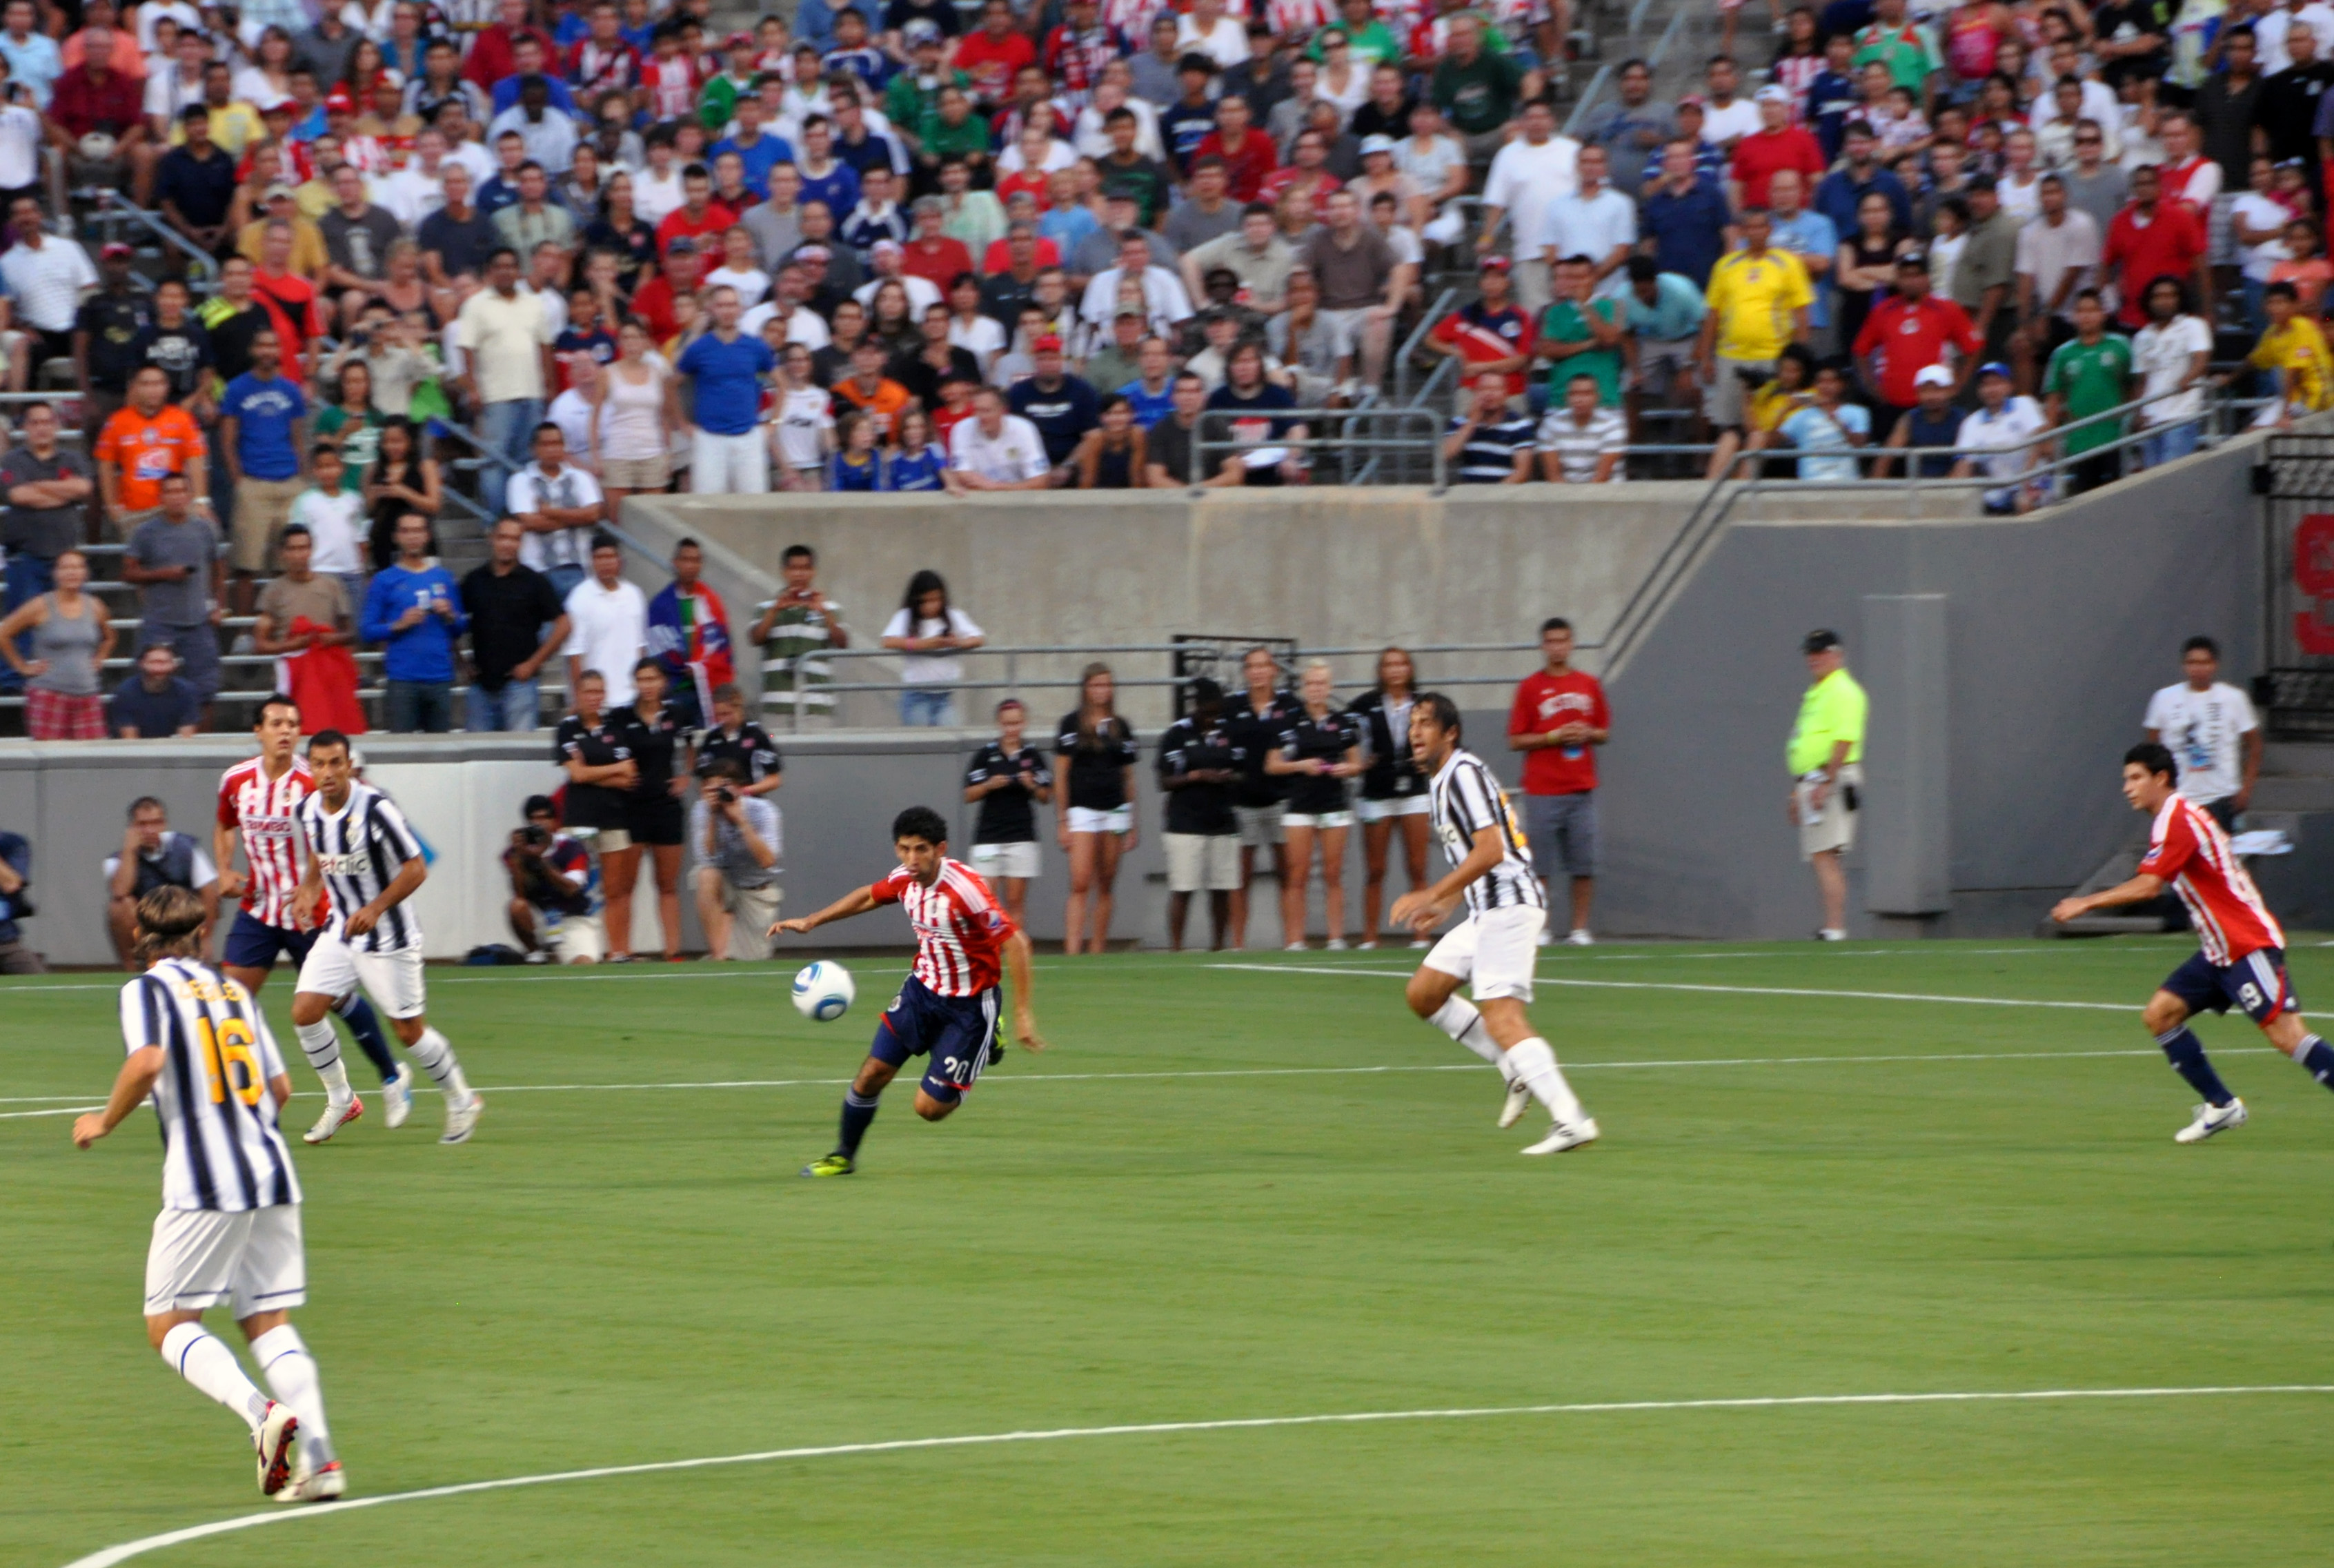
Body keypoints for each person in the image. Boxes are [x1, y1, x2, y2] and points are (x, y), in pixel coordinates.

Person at [68, 886, 336, 1503]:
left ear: (140, 938)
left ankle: (259, 1412)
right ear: (201, 935)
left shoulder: (146, 989)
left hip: (204, 1179)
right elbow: (282, 1087)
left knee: (168, 1323)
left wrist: (104, 1122)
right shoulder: (235, 990)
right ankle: (321, 1462)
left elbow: (147, 1061)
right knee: (267, 1320)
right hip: (270, 1169)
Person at [2050, 742, 2334, 1143]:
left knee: (2289, 1037)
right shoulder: (2170, 819)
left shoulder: (2177, 819)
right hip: (2219, 951)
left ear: (2160, 778)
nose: (2127, 788)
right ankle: (2222, 1106)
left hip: (2246, 944)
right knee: (2160, 1015)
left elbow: (2150, 885)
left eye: (2135, 778)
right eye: (2125, 780)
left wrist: (2087, 902)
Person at [775, 804, 1045, 1178]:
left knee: (929, 1109)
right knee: (872, 1074)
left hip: (969, 1006)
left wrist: (1022, 1013)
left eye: (921, 849)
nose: (912, 858)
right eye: (905, 849)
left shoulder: (965, 890)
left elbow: (1017, 943)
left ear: (941, 849)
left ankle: (988, 1041)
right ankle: (843, 1156)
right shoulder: (905, 878)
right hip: (921, 992)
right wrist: (811, 921)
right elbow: (869, 896)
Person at [1392, 692, 1599, 1156]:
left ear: (1450, 733)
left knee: (1502, 1016)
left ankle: (1571, 1119)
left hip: (1508, 904)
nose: (1416, 732)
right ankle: (1513, 1068)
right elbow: (1478, 853)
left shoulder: (1461, 773)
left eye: (1426, 723)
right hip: (1485, 907)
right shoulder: (1443, 778)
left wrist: (1432, 892)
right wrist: (1448, 904)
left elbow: (1490, 851)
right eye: (1412, 725)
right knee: (1423, 993)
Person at [213, 696, 404, 1138]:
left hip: (312, 914)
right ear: (257, 731)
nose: (286, 731)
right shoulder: (236, 780)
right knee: (230, 1002)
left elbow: (335, 833)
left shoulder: (311, 780)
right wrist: (224, 869)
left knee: (335, 1002)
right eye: (277, 723)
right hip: (258, 910)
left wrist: (312, 883)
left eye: (293, 724)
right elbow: (224, 824)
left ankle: (392, 1076)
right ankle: (250, 1096)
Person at [289, 729, 483, 1146]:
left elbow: (416, 867)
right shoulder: (307, 809)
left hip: (389, 937)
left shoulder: (377, 809)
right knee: (305, 1011)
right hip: (341, 930)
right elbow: (319, 853)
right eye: (318, 764)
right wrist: (309, 888)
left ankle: (461, 1098)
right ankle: (341, 1098)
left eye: (335, 763)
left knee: (409, 1032)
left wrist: (375, 908)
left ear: (349, 765)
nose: (327, 772)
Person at [1506, 617, 1610, 946]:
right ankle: (1542, 927)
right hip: (1542, 789)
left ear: (1572, 643)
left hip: (1581, 786)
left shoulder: (1589, 684)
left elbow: (1604, 731)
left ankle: (1579, 929)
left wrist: (1587, 733)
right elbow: (1515, 739)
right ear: (1543, 646)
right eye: (1551, 641)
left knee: (1584, 863)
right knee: (1540, 865)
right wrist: (1553, 735)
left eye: (1563, 640)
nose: (1557, 647)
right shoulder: (1530, 688)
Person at [1262, 659, 1361, 950]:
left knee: (1333, 872)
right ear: (1303, 687)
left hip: (1334, 805)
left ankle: (1336, 937)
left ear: (1330, 687)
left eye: (1321, 683)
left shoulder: (1342, 722)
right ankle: (1295, 939)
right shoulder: (1288, 720)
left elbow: (1356, 763)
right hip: (1300, 805)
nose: (1316, 689)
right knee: (1297, 873)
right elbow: (1272, 765)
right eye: (1311, 684)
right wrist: (1301, 765)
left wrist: (1346, 769)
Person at [453, 247, 555, 519]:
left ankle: (522, 520)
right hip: (495, 397)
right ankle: (498, 523)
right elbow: (467, 350)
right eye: (499, 266)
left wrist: (549, 388)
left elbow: (545, 347)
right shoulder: (475, 305)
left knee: (528, 463)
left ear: (519, 271)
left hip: (532, 394)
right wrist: (473, 389)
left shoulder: (534, 303)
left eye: (511, 266)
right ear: (489, 272)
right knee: (494, 464)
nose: (505, 271)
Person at [601, 657, 689, 962]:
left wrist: (685, 774)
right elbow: (609, 754)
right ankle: (623, 950)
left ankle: (673, 951)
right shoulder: (621, 716)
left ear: (662, 682)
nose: (647, 685)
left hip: (666, 806)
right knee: (626, 885)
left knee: (667, 885)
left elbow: (691, 742)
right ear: (635, 683)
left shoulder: (676, 712)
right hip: (632, 806)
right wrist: (620, 776)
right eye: (642, 679)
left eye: (652, 679)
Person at [1345, 647, 1432, 950]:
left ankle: (1421, 935)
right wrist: (1357, 760)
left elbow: (1446, 737)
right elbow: (1343, 733)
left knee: (1418, 867)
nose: (1395, 670)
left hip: (1414, 794)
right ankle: (1370, 936)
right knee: (1376, 869)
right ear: (1381, 671)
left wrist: (1430, 761)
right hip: (1376, 794)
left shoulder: (1424, 703)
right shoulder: (1364, 705)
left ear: (1410, 668)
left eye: (1401, 664)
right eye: (1389, 665)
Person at [121, 474, 224, 718]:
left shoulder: (205, 528)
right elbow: (128, 572)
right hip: (160, 621)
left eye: (181, 491)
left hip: (198, 620)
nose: (177, 497)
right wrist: (164, 574)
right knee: (147, 684)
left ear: (189, 496)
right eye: (170, 492)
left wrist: (219, 606)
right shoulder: (145, 532)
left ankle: (201, 747)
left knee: (205, 690)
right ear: (161, 497)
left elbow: (220, 570)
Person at [1788, 628, 1868, 942]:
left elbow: (1844, 739)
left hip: (1831, 777)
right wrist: (1799, 789)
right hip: (1817, 778)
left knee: (1825, 854)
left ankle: (1834, 928)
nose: (1814, 659)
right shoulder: (1818, 692)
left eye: (1821, 652)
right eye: (1811, 652)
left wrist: (1826, 781)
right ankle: (1831, 926)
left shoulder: (1843, 691)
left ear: (1837, 655)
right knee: (1822, 855)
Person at [1056, 661, 1140, 955]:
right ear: (1086, 689)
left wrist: (1132, 821)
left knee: (1106, 881)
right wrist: (1062, 820)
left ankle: (1097, 947)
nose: (1101, 690)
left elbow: (1129, 777)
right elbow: (1061, 773)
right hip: (1082, 809)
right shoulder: (1071, 724)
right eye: (1096, 685)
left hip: (1115, 809)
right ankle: (1072, 948)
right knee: (1080, 881)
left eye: (1106, 684)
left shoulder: (1121, 726)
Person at [1157, 676, 1243, 952]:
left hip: (1222, 819)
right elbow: (1164, 780)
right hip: (1185, 820)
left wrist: (1230, 776)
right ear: (1196, 707)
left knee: (1221, 888)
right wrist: (1196, 775)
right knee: (1183, 887)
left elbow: (1245, 771)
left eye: (1216, 713)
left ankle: (1218, 945)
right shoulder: (1177, 734)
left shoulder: (1230, 731)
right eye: (1207, 713)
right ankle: (1177, 947)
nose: (1212, 719)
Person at [461, 517, 569, 733]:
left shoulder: (535, 582)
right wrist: (460, 662)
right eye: (503, 537)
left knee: (520, 755)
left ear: (521, 543)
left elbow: (564, 624)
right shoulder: (474, 580)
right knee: (478, 757)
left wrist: (533, 663)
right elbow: (452, 619)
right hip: (481, 686)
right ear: (492, 538)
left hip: (520, 685)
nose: (508, 544)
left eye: (515, 539)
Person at [2143, 635, 2262, 831]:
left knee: (2216, 858)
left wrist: (2246, 790)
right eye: (2192, 663)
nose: (2198, 669)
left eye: (2204, 663)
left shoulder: (2233, 698)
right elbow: (2151, 750)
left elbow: (2255, 745)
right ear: (2184, 666)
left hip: (2221, 799)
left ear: (2214, 665)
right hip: (2179, 799)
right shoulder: (2164, 699)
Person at [364, 513, 464, 733]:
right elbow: (367, 631)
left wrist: (449, 615)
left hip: (439, 677)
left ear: (427, 536)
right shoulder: (383, 580)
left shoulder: (444, 577)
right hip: (402, 679)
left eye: (418, 531)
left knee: (441, 752)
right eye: (406, 531)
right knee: (401, 751)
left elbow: (460, 627)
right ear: (396, 537)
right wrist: (398, 624)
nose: (413, 537)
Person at [0, 548, 112, 738]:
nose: (72, 572)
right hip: (49, 695)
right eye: (66, 567)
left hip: (88, 694)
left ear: (85, 573)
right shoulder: (40, 605)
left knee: (91, 759)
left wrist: (100, 658)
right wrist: (22, 667)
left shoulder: (95, 606)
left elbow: (110, 637)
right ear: (56, 573)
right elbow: (3, 633)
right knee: (51, 760)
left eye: (77, 567)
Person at [678, 283, 778, 492]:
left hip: (748, 437)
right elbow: (671, 383)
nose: (728, 311)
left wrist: (774, 423)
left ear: (740, 309)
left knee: (753, 503)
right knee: (708, 505)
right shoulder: (699, 348)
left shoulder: (756, 347)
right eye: (722, 305)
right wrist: (683, 423)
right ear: (713, 309)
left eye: (732, 305)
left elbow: (782, 384)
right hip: (710, 438)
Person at [962, 697, 1051, 928]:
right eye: (1008, 724)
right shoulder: (985, 755)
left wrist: (1031, 784)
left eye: (1017, 723)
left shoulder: (1033, 755)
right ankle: (989, 953)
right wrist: (989, 785)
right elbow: (968, 795)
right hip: (988, 835)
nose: (1012, 729)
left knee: (1015, 901)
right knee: (985, 900)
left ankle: (1015, 954)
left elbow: (1046, 796)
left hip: (1021, 835)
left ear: (1024, 723)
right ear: (999, 724)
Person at [103, 797, 219, 970]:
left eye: (156, 823)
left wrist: (204, 934)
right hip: (147, 927)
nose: (150, 830)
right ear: (132, 827)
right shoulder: (117, 860)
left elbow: (210, 894)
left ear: (164, 824)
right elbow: (120, 892)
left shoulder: (186, 848)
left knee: (204, 954)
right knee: (118, 906)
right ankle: (130, 969)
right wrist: (130, 851)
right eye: (142, 824)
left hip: (183, 923)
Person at [691, 759, 782, 960]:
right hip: (726, 882)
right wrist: (714, 816)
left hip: (756, 889)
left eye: (722, 788)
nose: (717, 794)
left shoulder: (763, 811)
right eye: (711, 788)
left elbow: (768, 861)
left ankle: (730, 951)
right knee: (706, 875)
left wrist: (741, 821)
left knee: (752, 960)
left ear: (739, 787)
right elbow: (708, 857)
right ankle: (718, 956)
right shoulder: (703, 809)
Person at [751, 544, 848, 729]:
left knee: (816, 757)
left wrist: (824, 612)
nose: (799, 574)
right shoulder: (766, 608)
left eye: (805, 568)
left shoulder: (830, 608)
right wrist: (774, 611)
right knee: (775, 755)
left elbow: (842, 643)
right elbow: (756, 639)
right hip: (776, 706)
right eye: (794, 568)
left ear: (813, 572)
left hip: (816, 706)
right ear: (784, 572)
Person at [505, 793, 604, 964]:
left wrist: (541, 860)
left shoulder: (571, 847)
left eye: (545, 818)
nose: (540, 824)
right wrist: (519, 860)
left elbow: (571, 889)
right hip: (541, 915)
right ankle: (535, 954)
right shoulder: (517, 852)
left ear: (555, 821)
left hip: (572, 917)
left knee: (584, 962)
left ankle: (560, 953)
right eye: (534, 819)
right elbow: (519, 894)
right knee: (517, 906)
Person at [645, 537, 733, 729]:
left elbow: (722, 648)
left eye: (695, 560)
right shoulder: (660, 605)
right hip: (675, 691)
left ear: (701, 564)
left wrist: (699, 668)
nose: (690, 565)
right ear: (675, 563)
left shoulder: (712, 603)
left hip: (709, 691)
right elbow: (655, 648)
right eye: (685, 560)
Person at [880, 568, 983, 726]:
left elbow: (978, 638)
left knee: (952, 740)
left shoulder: (953, 615)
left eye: (936, 600)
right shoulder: (906, 616)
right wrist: (921, 644)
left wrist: (958, 643)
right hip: (917, 695)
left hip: (944, 696)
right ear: (916, 600)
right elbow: (887, 641)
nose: (931, 606)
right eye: (925, 601)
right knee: (923, 744)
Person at [1950, 360, 2051, 513]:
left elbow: (2040, 443)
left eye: (1997, 383)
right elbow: (1964, 464)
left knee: (2023, 503)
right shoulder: (1971, 422)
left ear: (2010, 386)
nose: (1991, 389)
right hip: (1998, 491)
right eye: (1986, 385)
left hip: (2035, 482)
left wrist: (2024, 480)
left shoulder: (2024, 404)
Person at [563, 534, 649, 709]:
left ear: (620, 561)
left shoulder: (635, 595)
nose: (606, 563)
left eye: (610, 557)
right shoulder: (579, 598)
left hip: (632, 698)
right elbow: (575, 655)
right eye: (600, 558)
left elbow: (641, 647)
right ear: (592, 561)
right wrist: (580, 699)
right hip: (597, 701)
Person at [109, 644, 202, 738]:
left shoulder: (187, 691)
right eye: (153, 662)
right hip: (135, 749)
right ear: (141, 664)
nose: (159, 669)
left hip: (170, 748)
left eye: (164, 662)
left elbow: (186, 739)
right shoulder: (125, 692)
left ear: (174, 665)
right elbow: (130, 740)